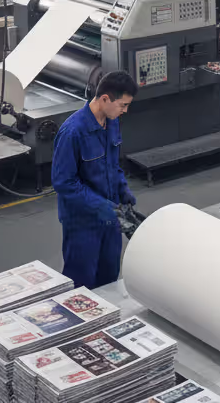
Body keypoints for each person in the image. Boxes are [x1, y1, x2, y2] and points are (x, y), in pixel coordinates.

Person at [52, 71, 139, 289]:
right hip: (83, 223)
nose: (125, 111)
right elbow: (64, 183)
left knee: (109, 277)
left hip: (111, 218)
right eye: (122, 105)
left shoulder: (112, 122)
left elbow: (113, 164)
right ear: (104, 99)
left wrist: (122, 189)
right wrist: (100, 206)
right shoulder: (73, 132)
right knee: (82, 284)